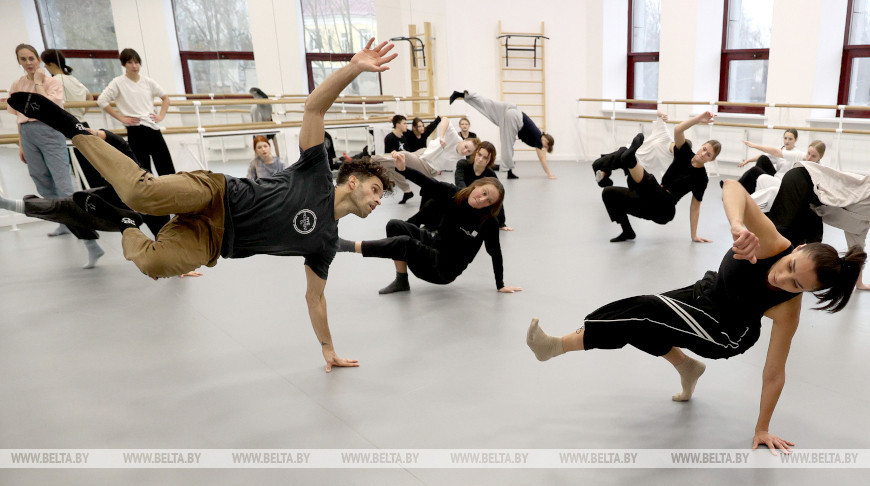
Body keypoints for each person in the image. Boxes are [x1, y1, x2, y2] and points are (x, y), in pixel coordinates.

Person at [10, 38, 399, 372]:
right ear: (354, 181)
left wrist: (328, 349)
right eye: (378, 191)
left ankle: (127, 222)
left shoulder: (325, 243)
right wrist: (352, 69)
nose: (379, 201)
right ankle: (75, 130)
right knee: (141, 191)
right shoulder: (315, 170)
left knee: (154, 263)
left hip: (213, 240)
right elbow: (314, 108)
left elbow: (315, 298)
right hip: (215, 192)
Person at [527, 178, 865, 454]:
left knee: (644, 311)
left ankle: (557, 346)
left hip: (725, 331)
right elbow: (732, 186)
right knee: (646, 326)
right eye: (791, 268)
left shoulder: (788, 310)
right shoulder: (771, 241)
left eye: (796, 285)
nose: (783, 279)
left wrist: (762, 428)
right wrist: (736, 225)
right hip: (704, 292)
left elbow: (774, 373)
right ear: (798, 248)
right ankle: (686, 366)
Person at [339, 151, 521, 295]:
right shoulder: (455, 195)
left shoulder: (488, 222)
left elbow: (495, 252)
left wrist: (501, 284)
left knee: (404, 243)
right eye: (483, 192)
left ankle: (347, 246)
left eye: (488, 201)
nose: (482, 199)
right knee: (395, 225)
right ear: (477, 185)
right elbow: (427, 182)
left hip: (444, 269)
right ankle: (401, 280)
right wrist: (403, 170)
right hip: (434, 244)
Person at [597, 111, 720, 243]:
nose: (703, 154)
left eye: (708, 155)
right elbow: (678, 129)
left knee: (649, 182)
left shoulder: (702, 178)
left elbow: (695, 206)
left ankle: (630, 159)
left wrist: (694, 235)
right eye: (704, 149)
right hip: (649, 202)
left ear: (711, 160)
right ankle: (627, 231)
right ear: (701, 146)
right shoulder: (684, 153)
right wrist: (699, 119)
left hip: (664, 208)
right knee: (608, 193)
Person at [763, 163, 870, 291]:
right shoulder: (866, 192)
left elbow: (857, 253)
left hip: (812, 207)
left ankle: (780, 280)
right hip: (803, 179)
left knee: (814, 252)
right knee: (781, 236)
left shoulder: (861, 224)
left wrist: (859, 284)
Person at [8, 44, 76, 238]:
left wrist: (38, 83)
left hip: (50, 129)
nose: (28, 63)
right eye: (23, 59)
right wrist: (21, 144)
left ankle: (79, 223)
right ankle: (63, 221)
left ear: (38, 59)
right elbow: (18, 117)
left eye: (31, 58)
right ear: (19, 61)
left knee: (62, 181)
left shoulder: (52, 82)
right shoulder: (17, 85)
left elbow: (49, 108)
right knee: (41, 180)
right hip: (28, 133)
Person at [97, 48, 175, 176]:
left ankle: (171, 193)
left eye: (137, 62)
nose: (134, 66)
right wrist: (121, 118)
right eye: (130, 63)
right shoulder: (118, 82)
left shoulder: (148, 82)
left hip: (152, 127)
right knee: (142, 170)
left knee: (165, 166)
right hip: (135, 128)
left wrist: (161, 116)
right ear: (124, 64)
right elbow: (102, 101)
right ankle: (149, 195)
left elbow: (165, 98)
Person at [450, 89, 555, 179]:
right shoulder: (539, 138)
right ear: (546, 139)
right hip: (514, 118)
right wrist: (549, 174)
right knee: (508, 146)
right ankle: (508, 172)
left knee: (488, 104)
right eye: (546, 145)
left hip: (511, 109)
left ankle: (463, 95)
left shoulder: (537, 133)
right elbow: (542, 159)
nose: (544, 146)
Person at [40, 49, 105, 189]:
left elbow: (49, 103)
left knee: (82, 170)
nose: (44, 67)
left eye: (45, 64)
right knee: (92, 167)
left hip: (69, 127)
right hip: (83, 124)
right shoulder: (74, 79)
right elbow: (89, 97)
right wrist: (81, 112)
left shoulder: (55, 81)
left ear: (50, 64)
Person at [371, 117, 477, 202]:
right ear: (464, 141)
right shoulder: (455, 137)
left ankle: (370, 160)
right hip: (422, 153)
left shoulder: (461, 160)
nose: (465, 151)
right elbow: (445, 119)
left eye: (468, 152)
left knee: (402, 156)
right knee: (395, 167)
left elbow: (462, 177)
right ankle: (407, 191)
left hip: (428, 167)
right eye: (466, 147)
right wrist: (442, 136)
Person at [749, 141, 826, 212]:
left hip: (796, 196)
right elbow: (777, 152)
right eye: (808, 153)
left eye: (813, 156)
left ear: (820, 157)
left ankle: (748, 205)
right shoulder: (801, 156)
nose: (809, 158)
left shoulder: (819, 171)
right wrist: (755, 146)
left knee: (773, 191)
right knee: (762, 178)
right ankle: (751, 205)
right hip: (786, 186)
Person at [454, 141, 512, 230]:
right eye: (479, 155)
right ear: (475, 153)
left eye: (485, 158)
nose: (480, 159)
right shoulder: (462, 164)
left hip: (478, 206)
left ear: (490, 160)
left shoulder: (491, 175)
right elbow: (459, 182)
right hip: (463, 199)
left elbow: (498, 199)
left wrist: (501, 223)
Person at [735, 129, 805, 193]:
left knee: (754, 171)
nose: (787, 141)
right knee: (763, 158)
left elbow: (776, 152)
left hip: (782, 182)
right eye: (785, 138)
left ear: (796, 140)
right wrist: (748, 161)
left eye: (790, 139)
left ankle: (734, 188)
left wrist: (755, 145)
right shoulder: (781, 149)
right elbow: (764, 156)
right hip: (775, 176)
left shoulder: (796, 154)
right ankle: (753, 186)